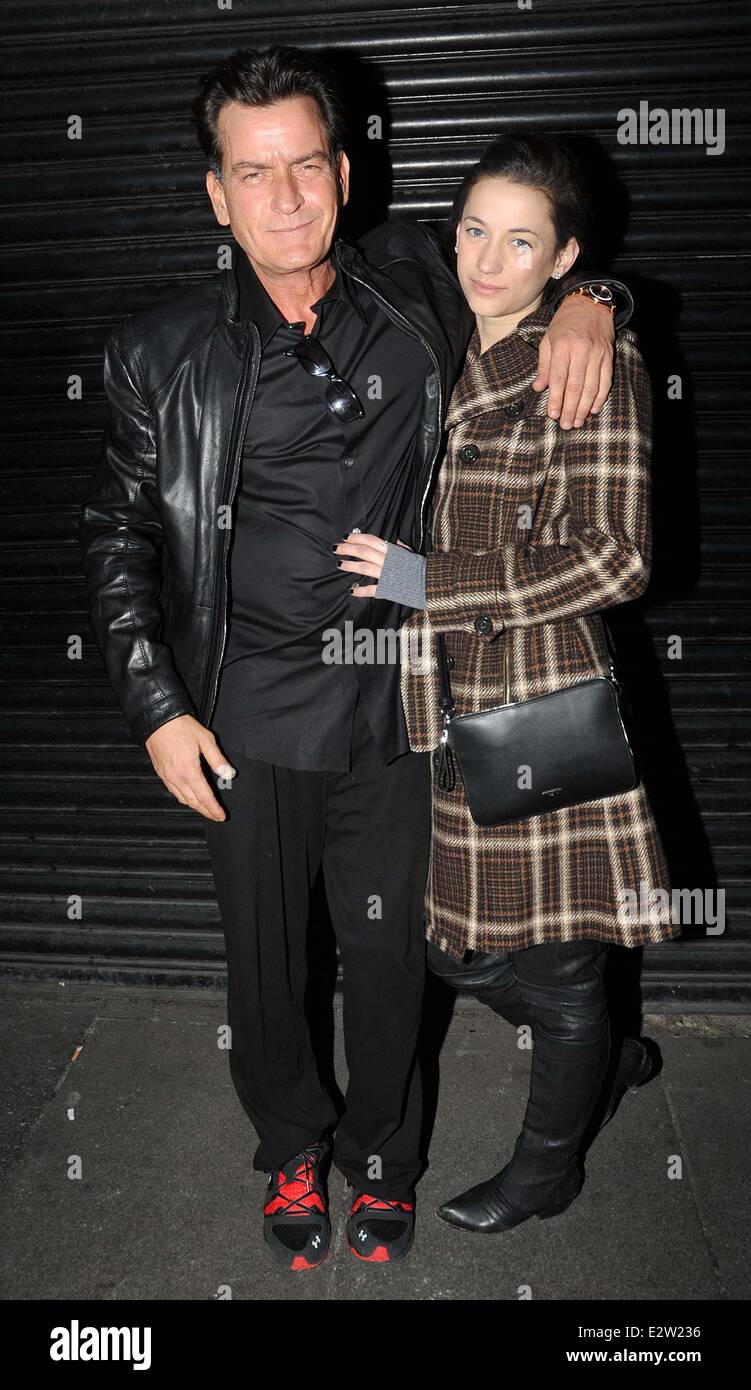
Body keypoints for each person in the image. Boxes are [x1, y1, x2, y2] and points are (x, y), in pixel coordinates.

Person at [79, 46, 633, 1270]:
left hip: (400, 704)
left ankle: (384, 1158)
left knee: (388, 956)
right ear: (216, 195)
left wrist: (605, 302)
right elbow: (117, 538)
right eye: (251, 172)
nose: (284, 196)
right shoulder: (158, 354)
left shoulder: (419, 284)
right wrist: (157, 707)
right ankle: (290, 1146)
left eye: (306, 164)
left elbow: (541, 254)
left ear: (344, 171)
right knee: (266, 965)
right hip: (243, 716)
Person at [344, 133, 683, 1235]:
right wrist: (602, 291)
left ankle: (548, 1169)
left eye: (522, 241)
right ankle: (607, 1053)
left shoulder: (585, 361)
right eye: (474, 230)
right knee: (450, 945)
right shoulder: (439, 337)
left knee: (565, 962)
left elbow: (617, 558)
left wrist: (425, 579)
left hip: (537, 703)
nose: (488, 261)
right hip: (441, 706)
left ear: (562, 255)